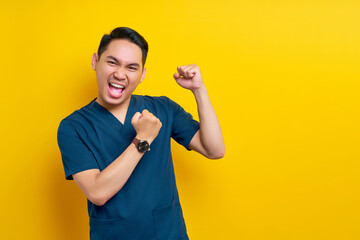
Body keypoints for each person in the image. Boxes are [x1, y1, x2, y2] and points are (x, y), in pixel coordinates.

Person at [57, 27, 225, 240]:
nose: (120, 74)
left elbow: (215, 149)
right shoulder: (73, 127)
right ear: (95, 61)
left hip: (168, 234)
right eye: (112, 62)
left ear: (142, 74)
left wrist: (199, 90)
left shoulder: (163, 108)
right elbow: (97, 193)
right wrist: (142, 140)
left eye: (132, 67)